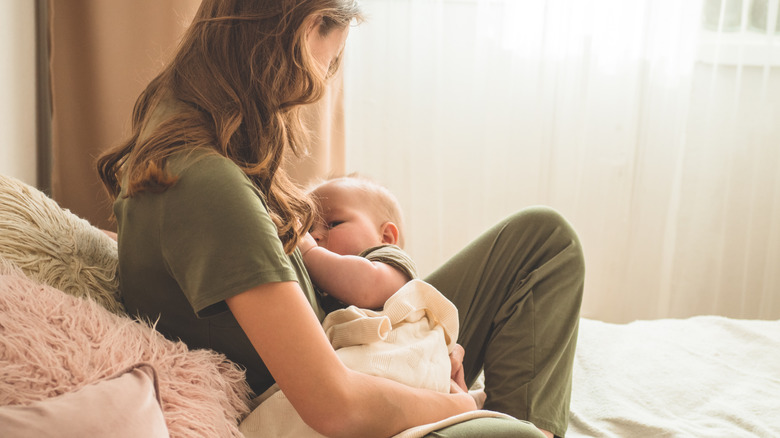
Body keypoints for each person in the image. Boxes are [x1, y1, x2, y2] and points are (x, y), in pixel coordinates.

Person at [96, 1, 584, 437]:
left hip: (351, 344)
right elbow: (335, 407)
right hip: (341, 396)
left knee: (543, 241)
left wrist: (429, 341)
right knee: (513, 433)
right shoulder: (208, 186)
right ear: (309, 31)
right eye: (330, 62)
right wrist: (457, 404)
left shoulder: (177, 133)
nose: (319, 86)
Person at [303, 175, 417, 313]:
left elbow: (367, 288)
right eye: (308, 230)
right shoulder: (321, 289)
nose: (313, 236)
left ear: (386, 237)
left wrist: (309, 253)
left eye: (334, 224)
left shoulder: (391, 262)